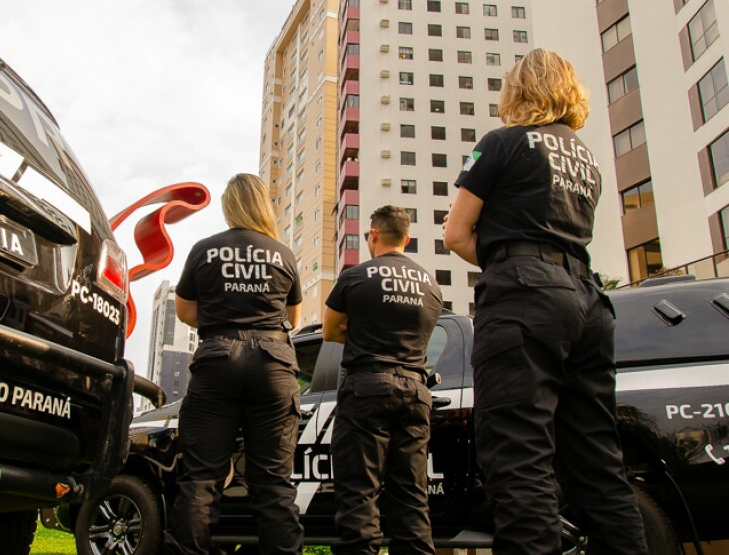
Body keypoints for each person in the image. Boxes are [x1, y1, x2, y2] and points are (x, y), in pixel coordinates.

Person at [443, 48, 648, 554]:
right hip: (589, 300)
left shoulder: (502, 143)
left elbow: (456, 233)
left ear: (519, 89)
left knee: (518, 456)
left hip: (525, 296)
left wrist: (504, 262)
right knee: (597, 462)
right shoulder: (588, 159)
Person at [164, 173, 304, 555]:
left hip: (217, 360)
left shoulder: (203, 249)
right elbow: (292, 317)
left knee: (201, 481)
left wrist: (219, 320)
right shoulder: (283, 253)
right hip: (273, 365)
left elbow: (185, 311)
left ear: (230, 207)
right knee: (273, 485)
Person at [322, 205, 443, 555]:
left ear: (373, 235)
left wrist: (363, 331)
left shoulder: (356, 277)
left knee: (359, 492)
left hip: (368, 388)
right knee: (411, 495)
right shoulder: (431, 285)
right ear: (407, 238)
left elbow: (330, 330)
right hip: (416, 391)